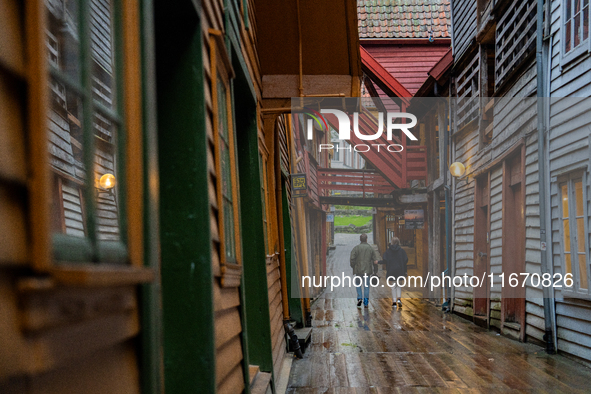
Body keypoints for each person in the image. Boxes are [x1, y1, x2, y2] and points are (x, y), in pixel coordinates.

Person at [350, 233, 380, 308]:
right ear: (366, 239)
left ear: (360, 240)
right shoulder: (370, 248)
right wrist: (375, 270)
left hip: (358, 270)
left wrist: (353, 266)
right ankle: (366, 302)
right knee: (366, 286)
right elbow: (374, 260)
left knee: (358, 284)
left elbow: (352, 258)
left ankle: (359, 299)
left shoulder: (356, 248)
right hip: (367, 270)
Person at [380, 237, 408, 308]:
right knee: (399, 285)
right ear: (398, 242)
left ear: (391, 242)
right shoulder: (401, 251)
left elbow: (385, 260)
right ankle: (399, 299)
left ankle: (394, 302)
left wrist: (378, 262)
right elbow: (406, 261)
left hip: (391, 271)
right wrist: (405, 271)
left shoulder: (388, 251)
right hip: (400, 270)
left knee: (393, 287)